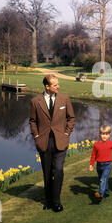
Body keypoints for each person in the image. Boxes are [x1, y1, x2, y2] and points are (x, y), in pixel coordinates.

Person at [29, 74, 75, 212]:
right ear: (47, 86)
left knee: (59, 170)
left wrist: (66, 134)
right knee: (47, 172)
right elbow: (32, 121)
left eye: (58, 84)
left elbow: (71, 118)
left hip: (60, 140)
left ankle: (56, 201)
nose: (58, 87)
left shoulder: (64, 99)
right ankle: (48, 201)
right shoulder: (35, 101)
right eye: (55, 85)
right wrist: (36, 136)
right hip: (43, 141)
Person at [89, 125, 112, 201]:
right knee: (103, 179)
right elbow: (93, 155)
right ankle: (106, 192)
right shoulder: (96, 144)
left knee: (103, 179)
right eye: (103, 134)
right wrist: (91, 164)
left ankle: (100, 194)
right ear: (100, 134)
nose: (104, 136)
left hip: (108, 164)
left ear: (109, 135)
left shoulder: (111, 143)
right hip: (99, 165)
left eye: (106, 134)